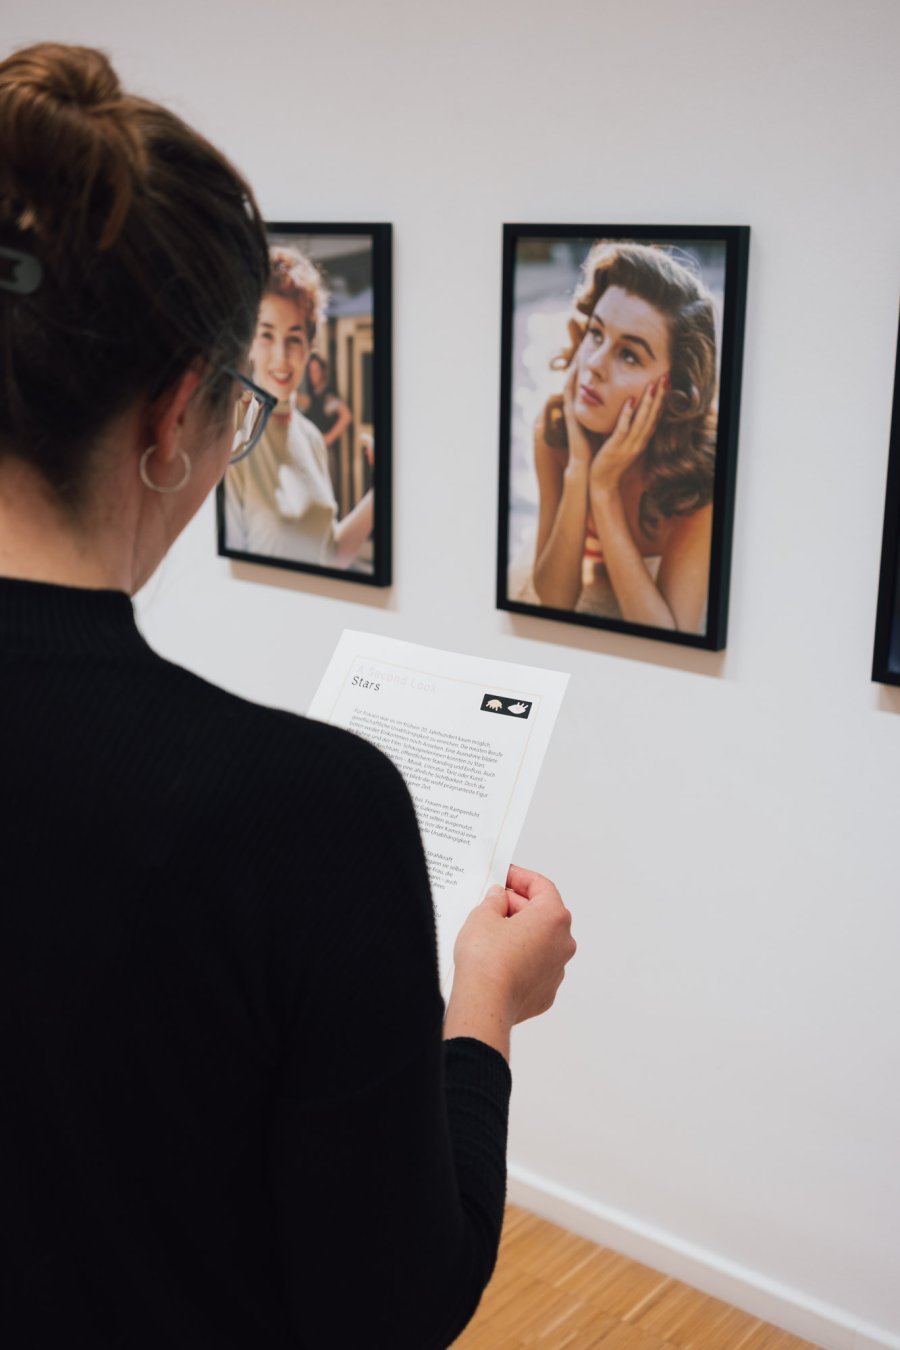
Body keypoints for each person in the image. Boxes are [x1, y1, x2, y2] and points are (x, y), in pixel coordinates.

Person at [0, 42, 575, 1350]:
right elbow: (390, 1303)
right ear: (177, 416)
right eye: (241, 405)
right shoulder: (303, 811)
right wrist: (484, 1006)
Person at [526, 240, 719, 633]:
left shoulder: (701, 470)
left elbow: (668, 634)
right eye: (596, 334)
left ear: (675, 390)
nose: (594, 365)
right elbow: (554, 600)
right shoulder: (557, 432)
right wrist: (579, 471)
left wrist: (604, 490)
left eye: (629, 354)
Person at [223, 245, 373, 570]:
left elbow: (330, 556)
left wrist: (382, 491)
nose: (281, 356)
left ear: (309, 347)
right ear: (249, 343)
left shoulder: (313, 439)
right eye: (267, 336)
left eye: (294, 338)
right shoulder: (231, 440)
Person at [301, 351, 354, 450]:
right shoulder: (313, 394)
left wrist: (329, 438)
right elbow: (306, 402)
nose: (314, 374)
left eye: (317, 370)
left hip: (324, 450)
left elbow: (346, 416)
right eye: (311, 371)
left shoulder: (328, 396)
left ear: (322, 371)